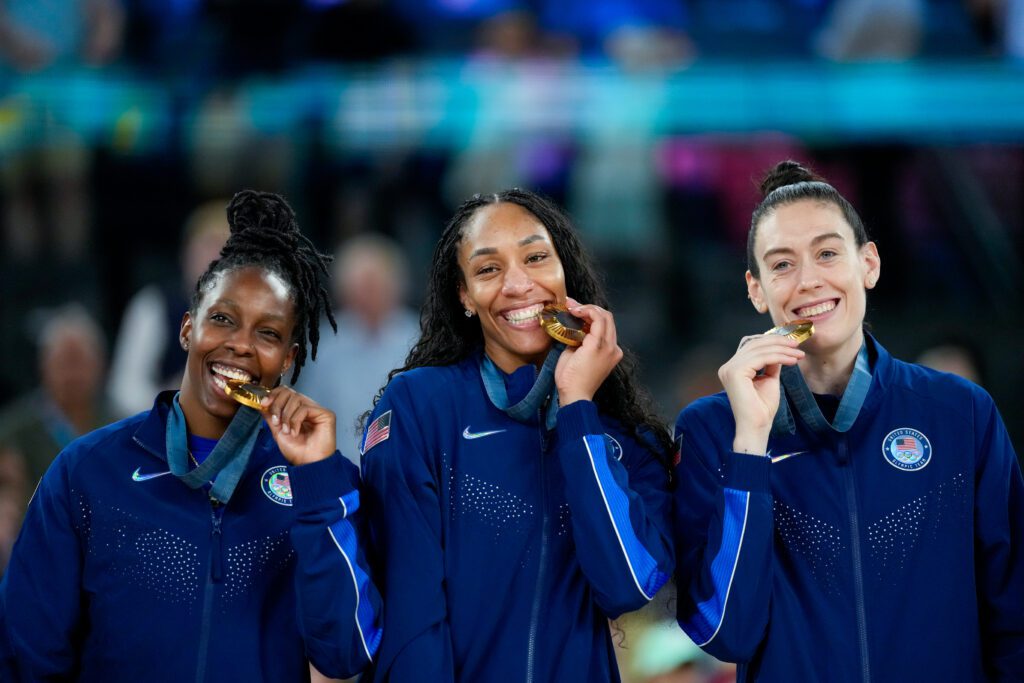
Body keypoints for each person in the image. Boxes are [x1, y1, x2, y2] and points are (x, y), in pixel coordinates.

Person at [0, 190, 382, 682]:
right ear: (187, 329)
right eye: (222, 319)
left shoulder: (324, 483)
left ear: (288, 359)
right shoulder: (88, 471)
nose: (241, 345)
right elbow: (26, 651)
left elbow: (346, 652)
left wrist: (315, 482)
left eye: (268, 334)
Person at [672, 161, 1024, 681]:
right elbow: (727, 632)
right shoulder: (711, 430)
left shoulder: (960, 413)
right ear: (755, 288)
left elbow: (1013, 614)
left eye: (828, 253)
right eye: (782, 264)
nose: (809, 280)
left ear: (869, 264)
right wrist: (750, 446)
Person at [360, 188, 674, 682]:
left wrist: (577, 412)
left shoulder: (620, 436)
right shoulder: (420, 406)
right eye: (488, 269)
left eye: (535, 258)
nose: (517, 284)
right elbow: (410, 610)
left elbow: (627, 586)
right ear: (463, 295)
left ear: (564, 272)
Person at [296, 234, 419, 463]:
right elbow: (308, 412)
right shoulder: (325, 344)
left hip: (406, 470)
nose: (367, 296)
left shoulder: (421, 339)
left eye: (374, 286)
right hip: (341, 469)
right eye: (359, 287)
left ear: (396, 286)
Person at [107, 199, 230, 417]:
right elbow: (124, 391)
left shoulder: (255, 317)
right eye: (208, 245)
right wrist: (175, 400)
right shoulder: (152, 306)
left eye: (226, 249)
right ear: (187, 254)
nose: (216, 258)